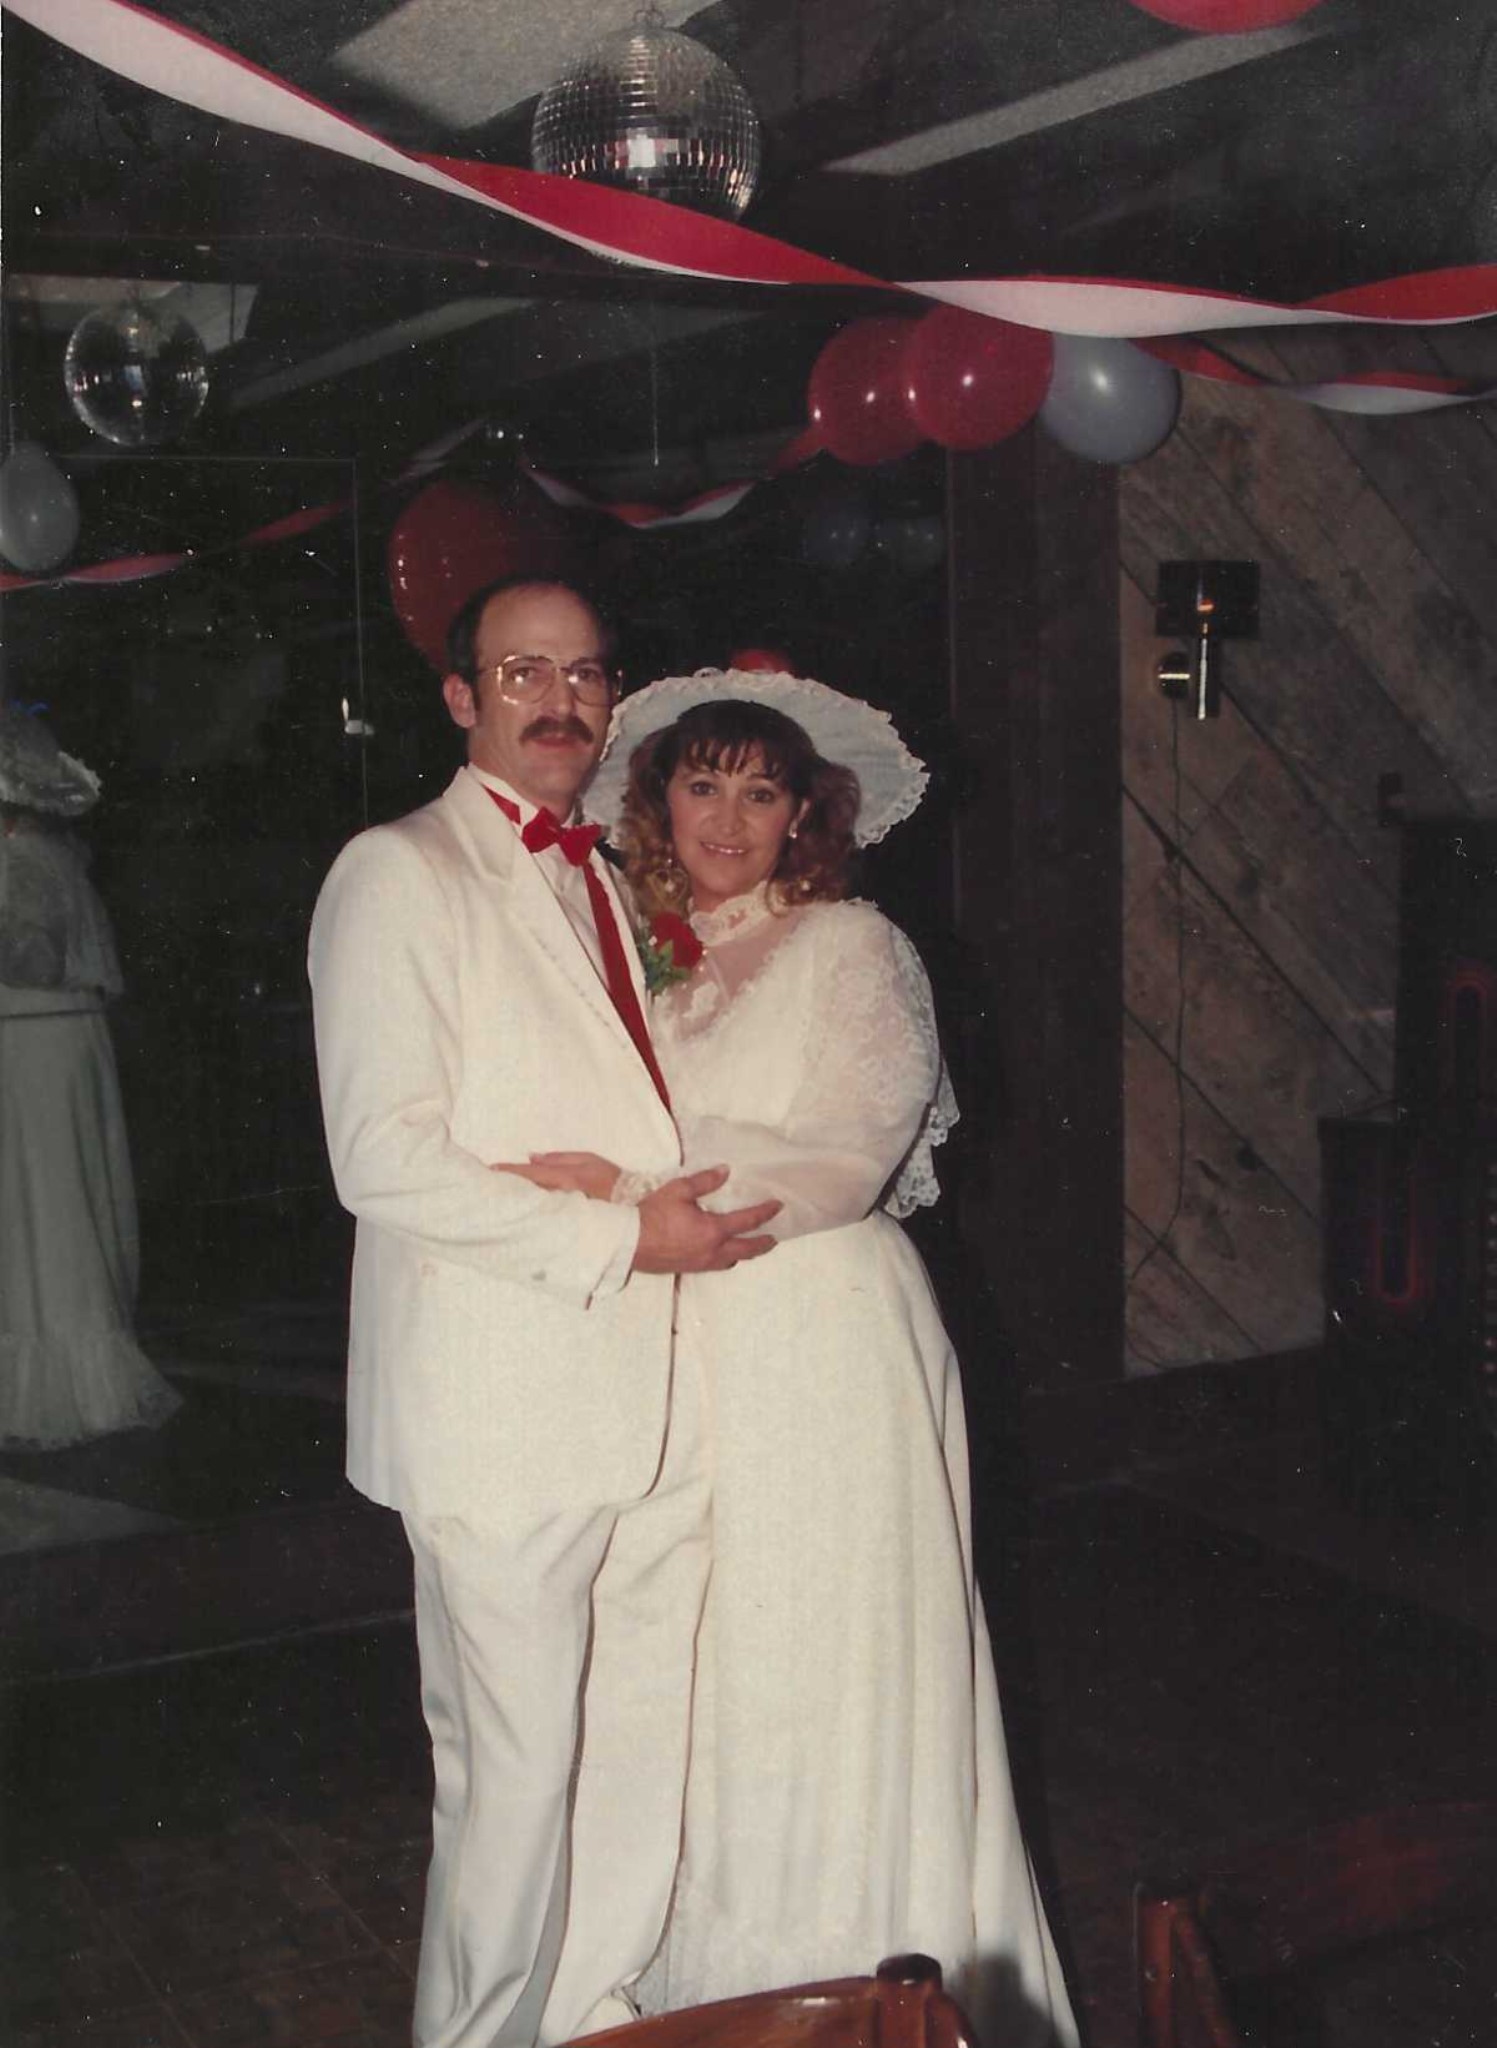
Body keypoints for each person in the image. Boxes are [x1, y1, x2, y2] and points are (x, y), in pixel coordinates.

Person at [539, 669, 1081, 2046]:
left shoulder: (852, 946)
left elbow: (846, 1159)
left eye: (760, 789)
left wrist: (623, 1183)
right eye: (702, 783)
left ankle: (866, 1991)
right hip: (683, 1337)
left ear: (805, 814)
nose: (728, 818)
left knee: (824, 1650)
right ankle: (719, 1991)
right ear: (658, 799)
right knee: (707, 1663)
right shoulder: (646, 954)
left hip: (822, 1338)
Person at [307, 580, 780, 2048]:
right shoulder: (397, 871)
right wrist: (624, 1230)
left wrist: (637, 1196)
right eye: (523, 672)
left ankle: (586, 2019)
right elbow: (381, 1161)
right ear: (461, 696)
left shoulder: (607, 875)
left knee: (624, 1751)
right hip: (497, 1403)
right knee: (508, 1786)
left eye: (583, 673)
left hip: (634, 1393)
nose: (559, 700)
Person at [0, 704, 180, 1448]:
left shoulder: (21, 863)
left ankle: (61, 1375)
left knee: (44, 1202)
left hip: (35, 1043)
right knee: (49, 1198)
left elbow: (32, 958)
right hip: (47, 1041)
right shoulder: (51, 857)